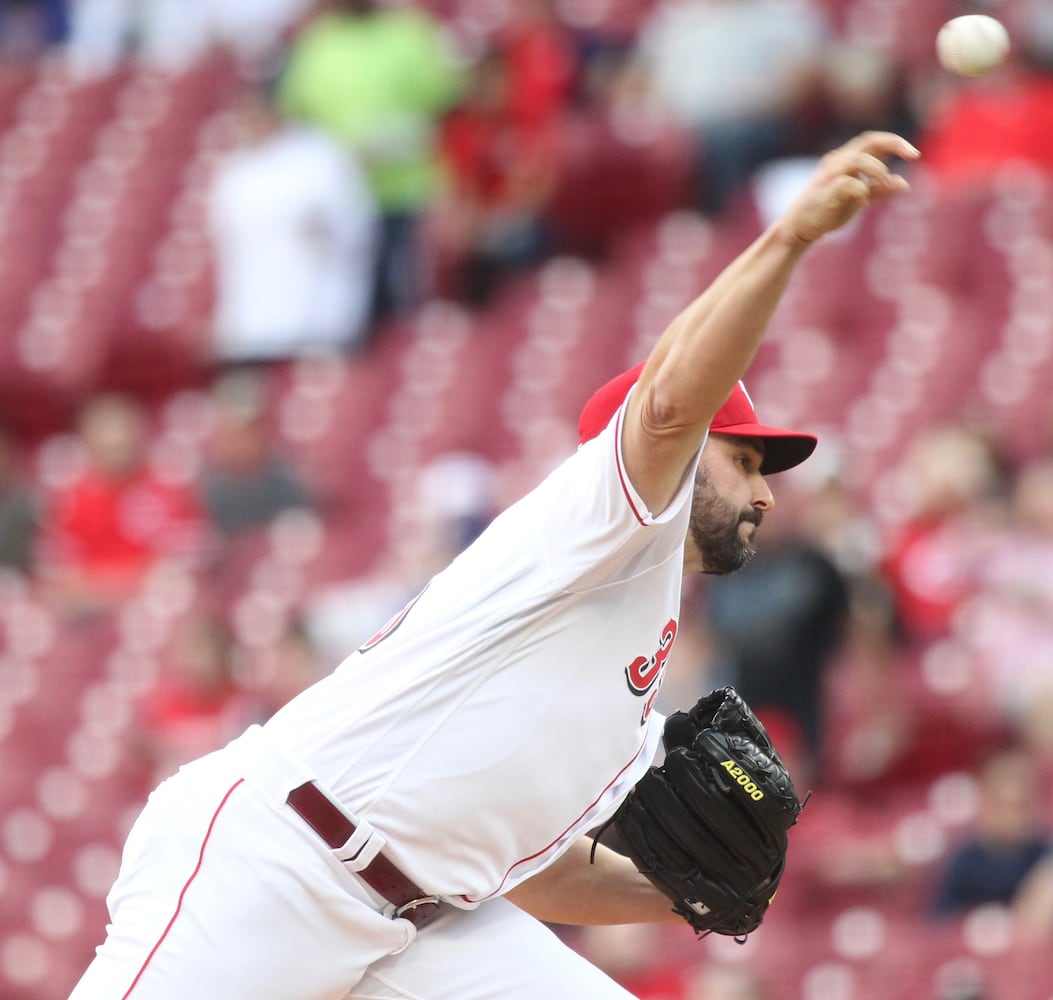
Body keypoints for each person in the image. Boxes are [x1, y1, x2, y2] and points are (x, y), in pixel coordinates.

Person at [69, 131, 919, 1000]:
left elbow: (534, 871)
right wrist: (788, 238)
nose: (765, 494)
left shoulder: (630, 665)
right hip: (278, 865)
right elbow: (665, 408)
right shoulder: (597, 523)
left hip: (421, 918)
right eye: (744, 460)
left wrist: (687, 899)